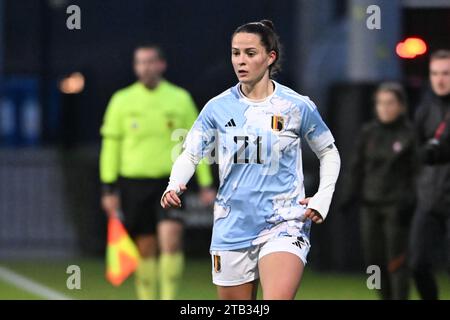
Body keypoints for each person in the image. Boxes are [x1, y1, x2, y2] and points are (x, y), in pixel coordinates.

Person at [161, 20, 341, 300]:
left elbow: (329, 151)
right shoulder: (217, 108)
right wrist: (175, 184)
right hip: (233, 225)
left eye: (250, 53)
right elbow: (191, 153)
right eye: (235, 53)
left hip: (284, 222)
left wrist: (324, 195)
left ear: (270, 57)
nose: (240, 61)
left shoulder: (296, 106)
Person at [99, 44, 215, 300]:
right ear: (135, 66)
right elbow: (110, 147)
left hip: (170, 183)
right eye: (140, 62)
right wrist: (108, 187)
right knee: (146, 248)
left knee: (171, 240)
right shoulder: (121, 100)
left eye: (150, 61)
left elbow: (196, 144)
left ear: (161, 65)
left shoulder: (180, 98)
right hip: (133, 184)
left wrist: (206, 184)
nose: (145, 67)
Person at [342, 82, 417, 300]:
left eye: (390, 103)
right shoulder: (369, 133)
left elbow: (418, 171)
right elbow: (357, 167)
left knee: (396, 260)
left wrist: (410, 198)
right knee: (373, 263)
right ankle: (381, 296)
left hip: (396, 206)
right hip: (370, 204)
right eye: (380, 103)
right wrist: (348, 196)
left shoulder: (409, 134)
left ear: (401, 106)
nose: (384, 108)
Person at [409, 49, 450, 300]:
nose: (440, 79)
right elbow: (416, 151)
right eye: (435, 73)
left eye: (446, 73)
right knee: (417, 264)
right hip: (429, 199)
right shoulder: (425, 109)